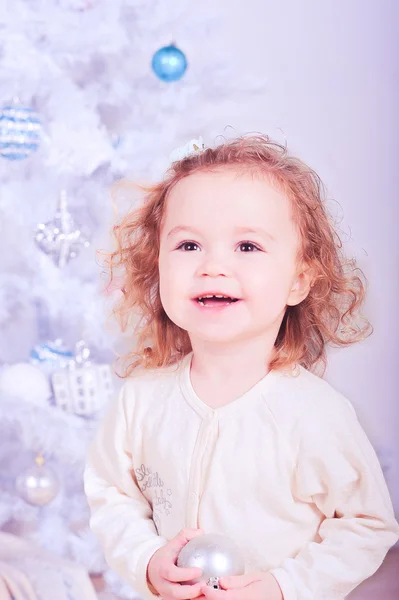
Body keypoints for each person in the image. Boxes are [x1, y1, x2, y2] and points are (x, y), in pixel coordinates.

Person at [84, 135, 399, 600]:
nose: (213, 266)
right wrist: (147, 560)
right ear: (157, 268)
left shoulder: (315, 415)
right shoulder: (141, 400)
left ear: (298, 280)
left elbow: (368, 525)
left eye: (247, 247)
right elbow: (113, 496)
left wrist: (283, 586)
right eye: (189, 245)